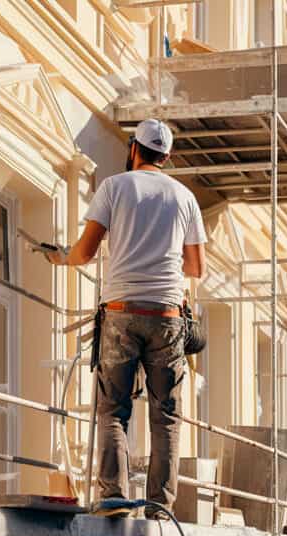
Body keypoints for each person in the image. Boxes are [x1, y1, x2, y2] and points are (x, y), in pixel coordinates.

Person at [45, 119, 207, 515]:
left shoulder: (115, 187)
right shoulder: (184, 197)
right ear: (166, 156)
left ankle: (113, 495)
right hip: (168, 314)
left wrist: (62, 256)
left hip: (121, 310)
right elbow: (196, 267)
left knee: (113, 408)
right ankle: (159, 506)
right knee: (165, 416)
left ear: (134, 147)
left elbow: (84, 253)